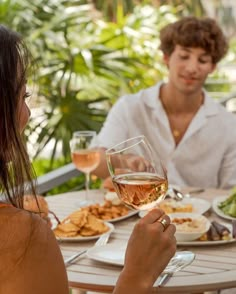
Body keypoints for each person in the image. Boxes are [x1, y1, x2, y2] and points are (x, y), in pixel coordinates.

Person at [0, 24, 176, 294]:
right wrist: (138, 276)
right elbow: (100, 155)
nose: (28, 113)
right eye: (22, 96)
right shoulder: (20, 238)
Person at [93, 16, 236, 190]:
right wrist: (125, 161)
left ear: (212, 67)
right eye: (184, 56)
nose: (192, 68)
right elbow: (96, 162)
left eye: (203, 60)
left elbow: (229, 194)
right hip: (136, 212)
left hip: (200, 216)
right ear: (166, 58)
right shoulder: (130, 107)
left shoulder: (228, 125)